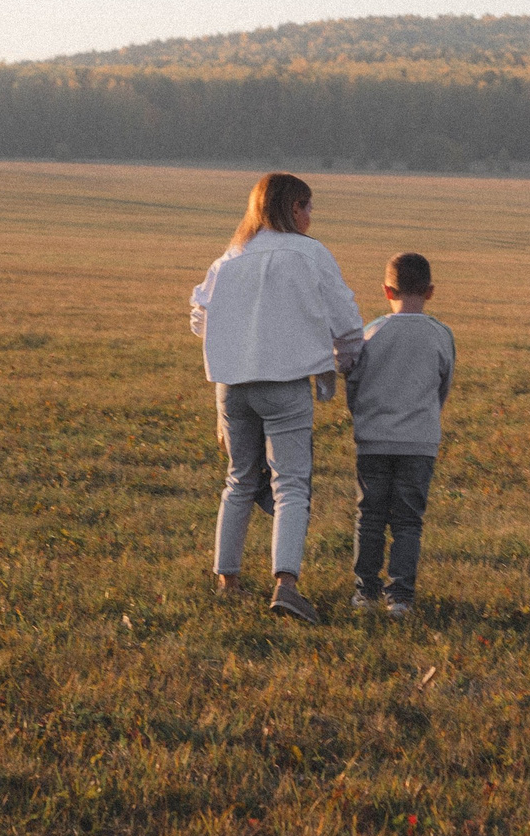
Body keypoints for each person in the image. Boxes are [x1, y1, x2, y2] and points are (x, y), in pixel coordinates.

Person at [188, 172, 362, 622]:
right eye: (307, 207)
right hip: (284, 383)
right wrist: (346, 362)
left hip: (231, 386)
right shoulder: (310, 253)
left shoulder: (231, 256)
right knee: (291, 484)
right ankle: (285, 584)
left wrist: (240, 336)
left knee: (239, 479)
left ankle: (227, 580)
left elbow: (199, 319)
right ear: (292, 208)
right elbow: (346, 321)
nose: (310, 217)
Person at [345, 251, 455, 616]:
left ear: (386, 290)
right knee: (408, 521)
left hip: (373, 440)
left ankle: (366, 593)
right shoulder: (441, 335)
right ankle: (401, 597)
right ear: (430, 291)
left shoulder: (372, 333)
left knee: (370, 517)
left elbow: (354, 384)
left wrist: (364, 419)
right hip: (419, 442)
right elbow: (443, 385)